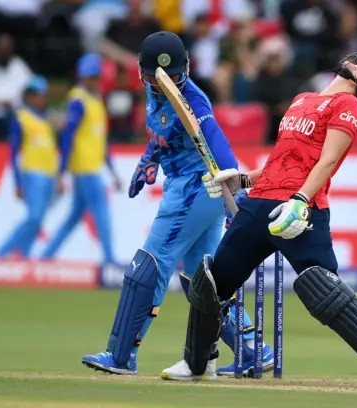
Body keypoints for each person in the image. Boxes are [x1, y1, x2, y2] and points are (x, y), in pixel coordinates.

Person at [161, 52, 357, 388]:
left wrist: (300, 201)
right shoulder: (303, 99)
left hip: (299, 209)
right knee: (210, 283)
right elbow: (279, 160)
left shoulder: (348, 105)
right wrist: (240, 180)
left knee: (324, 289)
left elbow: (328, 161)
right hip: (258, 204)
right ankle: (197, 363)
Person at [81, 32, 274, 378]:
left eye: (172, 79)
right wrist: (147, 161)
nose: (165, 85)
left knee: (149, 265)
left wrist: (231, 172)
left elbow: (211, 132)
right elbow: (161, 131)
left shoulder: (193, 97)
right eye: (158, 79)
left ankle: (122, 355)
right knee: (202, 277)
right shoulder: (155, 86)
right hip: (183, 185)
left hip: (198, 187)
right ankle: (251, 349)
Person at [41, 54, 122, 264]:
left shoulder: (96, 100)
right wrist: (61, 171)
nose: (93, 80)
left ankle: (46, 256)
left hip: (92, 166)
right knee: (102, 214)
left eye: (95, 76)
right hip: (85, 168)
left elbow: (101, 140)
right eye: (89, 77)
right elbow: (68, 136)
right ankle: (109, 260)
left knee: (74, 217)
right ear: (82, 77)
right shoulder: (78, 100)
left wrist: (113, 171)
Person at [0, 76, 60, 258]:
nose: (42, 99)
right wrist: (17, 182)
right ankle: (2, 252)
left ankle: (23, 254)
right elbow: (13, 152)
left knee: (38, 221)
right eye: (38, 95)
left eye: (43, 95)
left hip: (48, 175)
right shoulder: (21, 118)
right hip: (33, 173)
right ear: (29, 96)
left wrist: (57, 176)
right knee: (34, 217)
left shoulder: (45, 120)